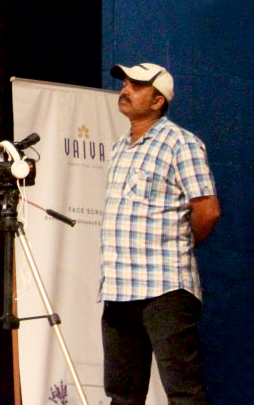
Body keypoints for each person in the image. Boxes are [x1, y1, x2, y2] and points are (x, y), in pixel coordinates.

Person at [100, 62, 221, 405]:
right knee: (122, 395)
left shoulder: (181, 143)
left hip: (165, 287)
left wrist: (179, 246)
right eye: (125, 84)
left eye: (136, 86)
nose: (125, 90)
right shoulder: (119, 147)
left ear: (157, 101)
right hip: (119, 289)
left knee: (183, 393)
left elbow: (208, 210)